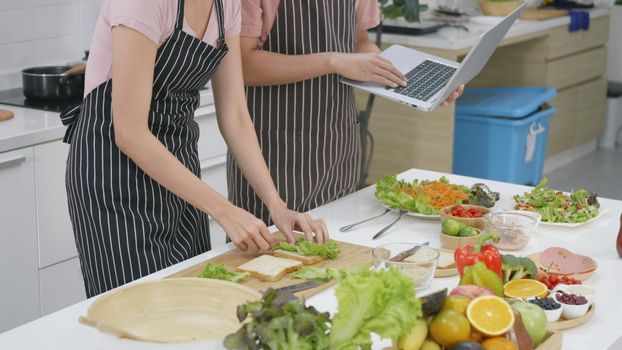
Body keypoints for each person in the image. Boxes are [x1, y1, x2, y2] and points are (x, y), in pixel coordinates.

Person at [60, 0, 326, 298]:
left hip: (180, 171)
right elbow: (130, 133)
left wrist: (275, 204)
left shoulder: (227, 5)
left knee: (192, 300)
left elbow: (235, 114)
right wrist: (224, 210)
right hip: (112, 173)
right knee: (139, 314)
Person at [228, 0, 464, 225]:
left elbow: (360, 42)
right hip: (275, 153)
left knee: (338, 250)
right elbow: (242, 64)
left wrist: (414, 80)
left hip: (338, 145)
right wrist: (331, 61)